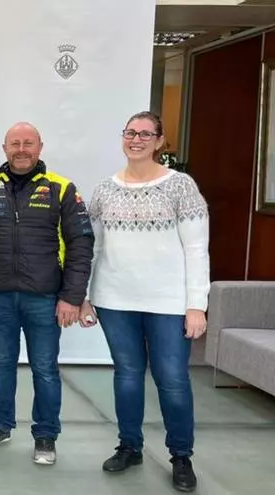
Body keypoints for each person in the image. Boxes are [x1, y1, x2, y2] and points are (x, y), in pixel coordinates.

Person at [80, 111, 209, 492]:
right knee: (127, 376)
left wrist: (196, 304)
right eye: (130, 133)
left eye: (145, 134)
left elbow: (197, 249)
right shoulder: (104, 190)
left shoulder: (181, 186)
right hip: (114, 300)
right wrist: (85, 296)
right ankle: (129, 446)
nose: (136, 139)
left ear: (159, 141)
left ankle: (181, 456)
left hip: (169, 303)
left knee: (172, 379)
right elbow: (92, 248)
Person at [0, 122, 93, 465]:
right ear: (4, 148)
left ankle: (45, 435)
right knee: (1, 364)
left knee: (45, 368)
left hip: (44, 298)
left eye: (28, 143)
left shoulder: (62, 189)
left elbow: (80, 245)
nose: (21, 149)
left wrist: (72, 297)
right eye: (14, 143)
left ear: (40, 147)